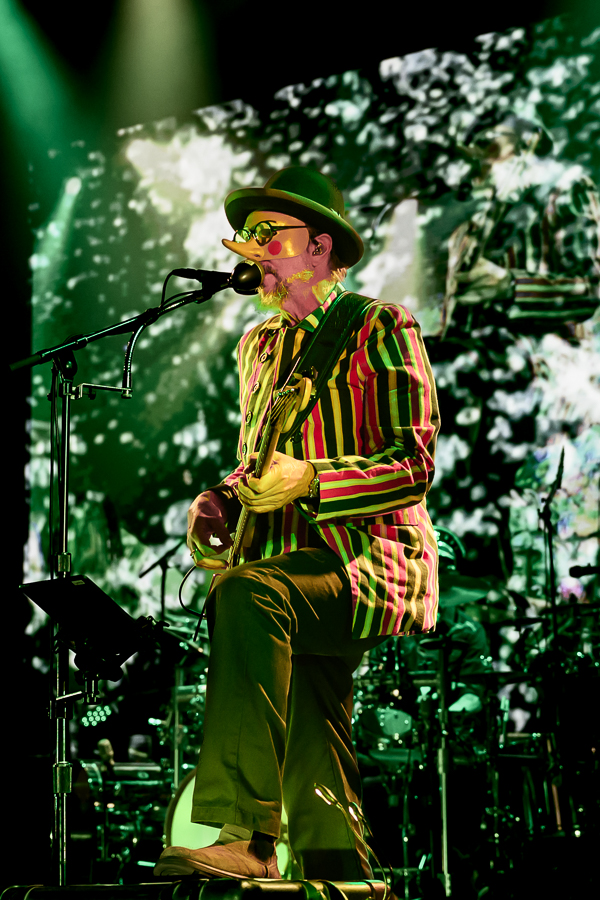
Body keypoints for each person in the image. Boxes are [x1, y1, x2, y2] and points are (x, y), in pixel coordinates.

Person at [154, 167, 440, 882]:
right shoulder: (257, 347)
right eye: (247, 236)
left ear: (319, 245)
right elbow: (256, 459)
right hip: (288, 566)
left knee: (247, 594)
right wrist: (220, 500)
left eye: (267, 235)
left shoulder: (381, 326)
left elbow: (413, 464)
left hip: (367, 564)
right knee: (319, 761)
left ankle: (246, 834)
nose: (252, 250)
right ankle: (342, 874)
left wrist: (310, 479)